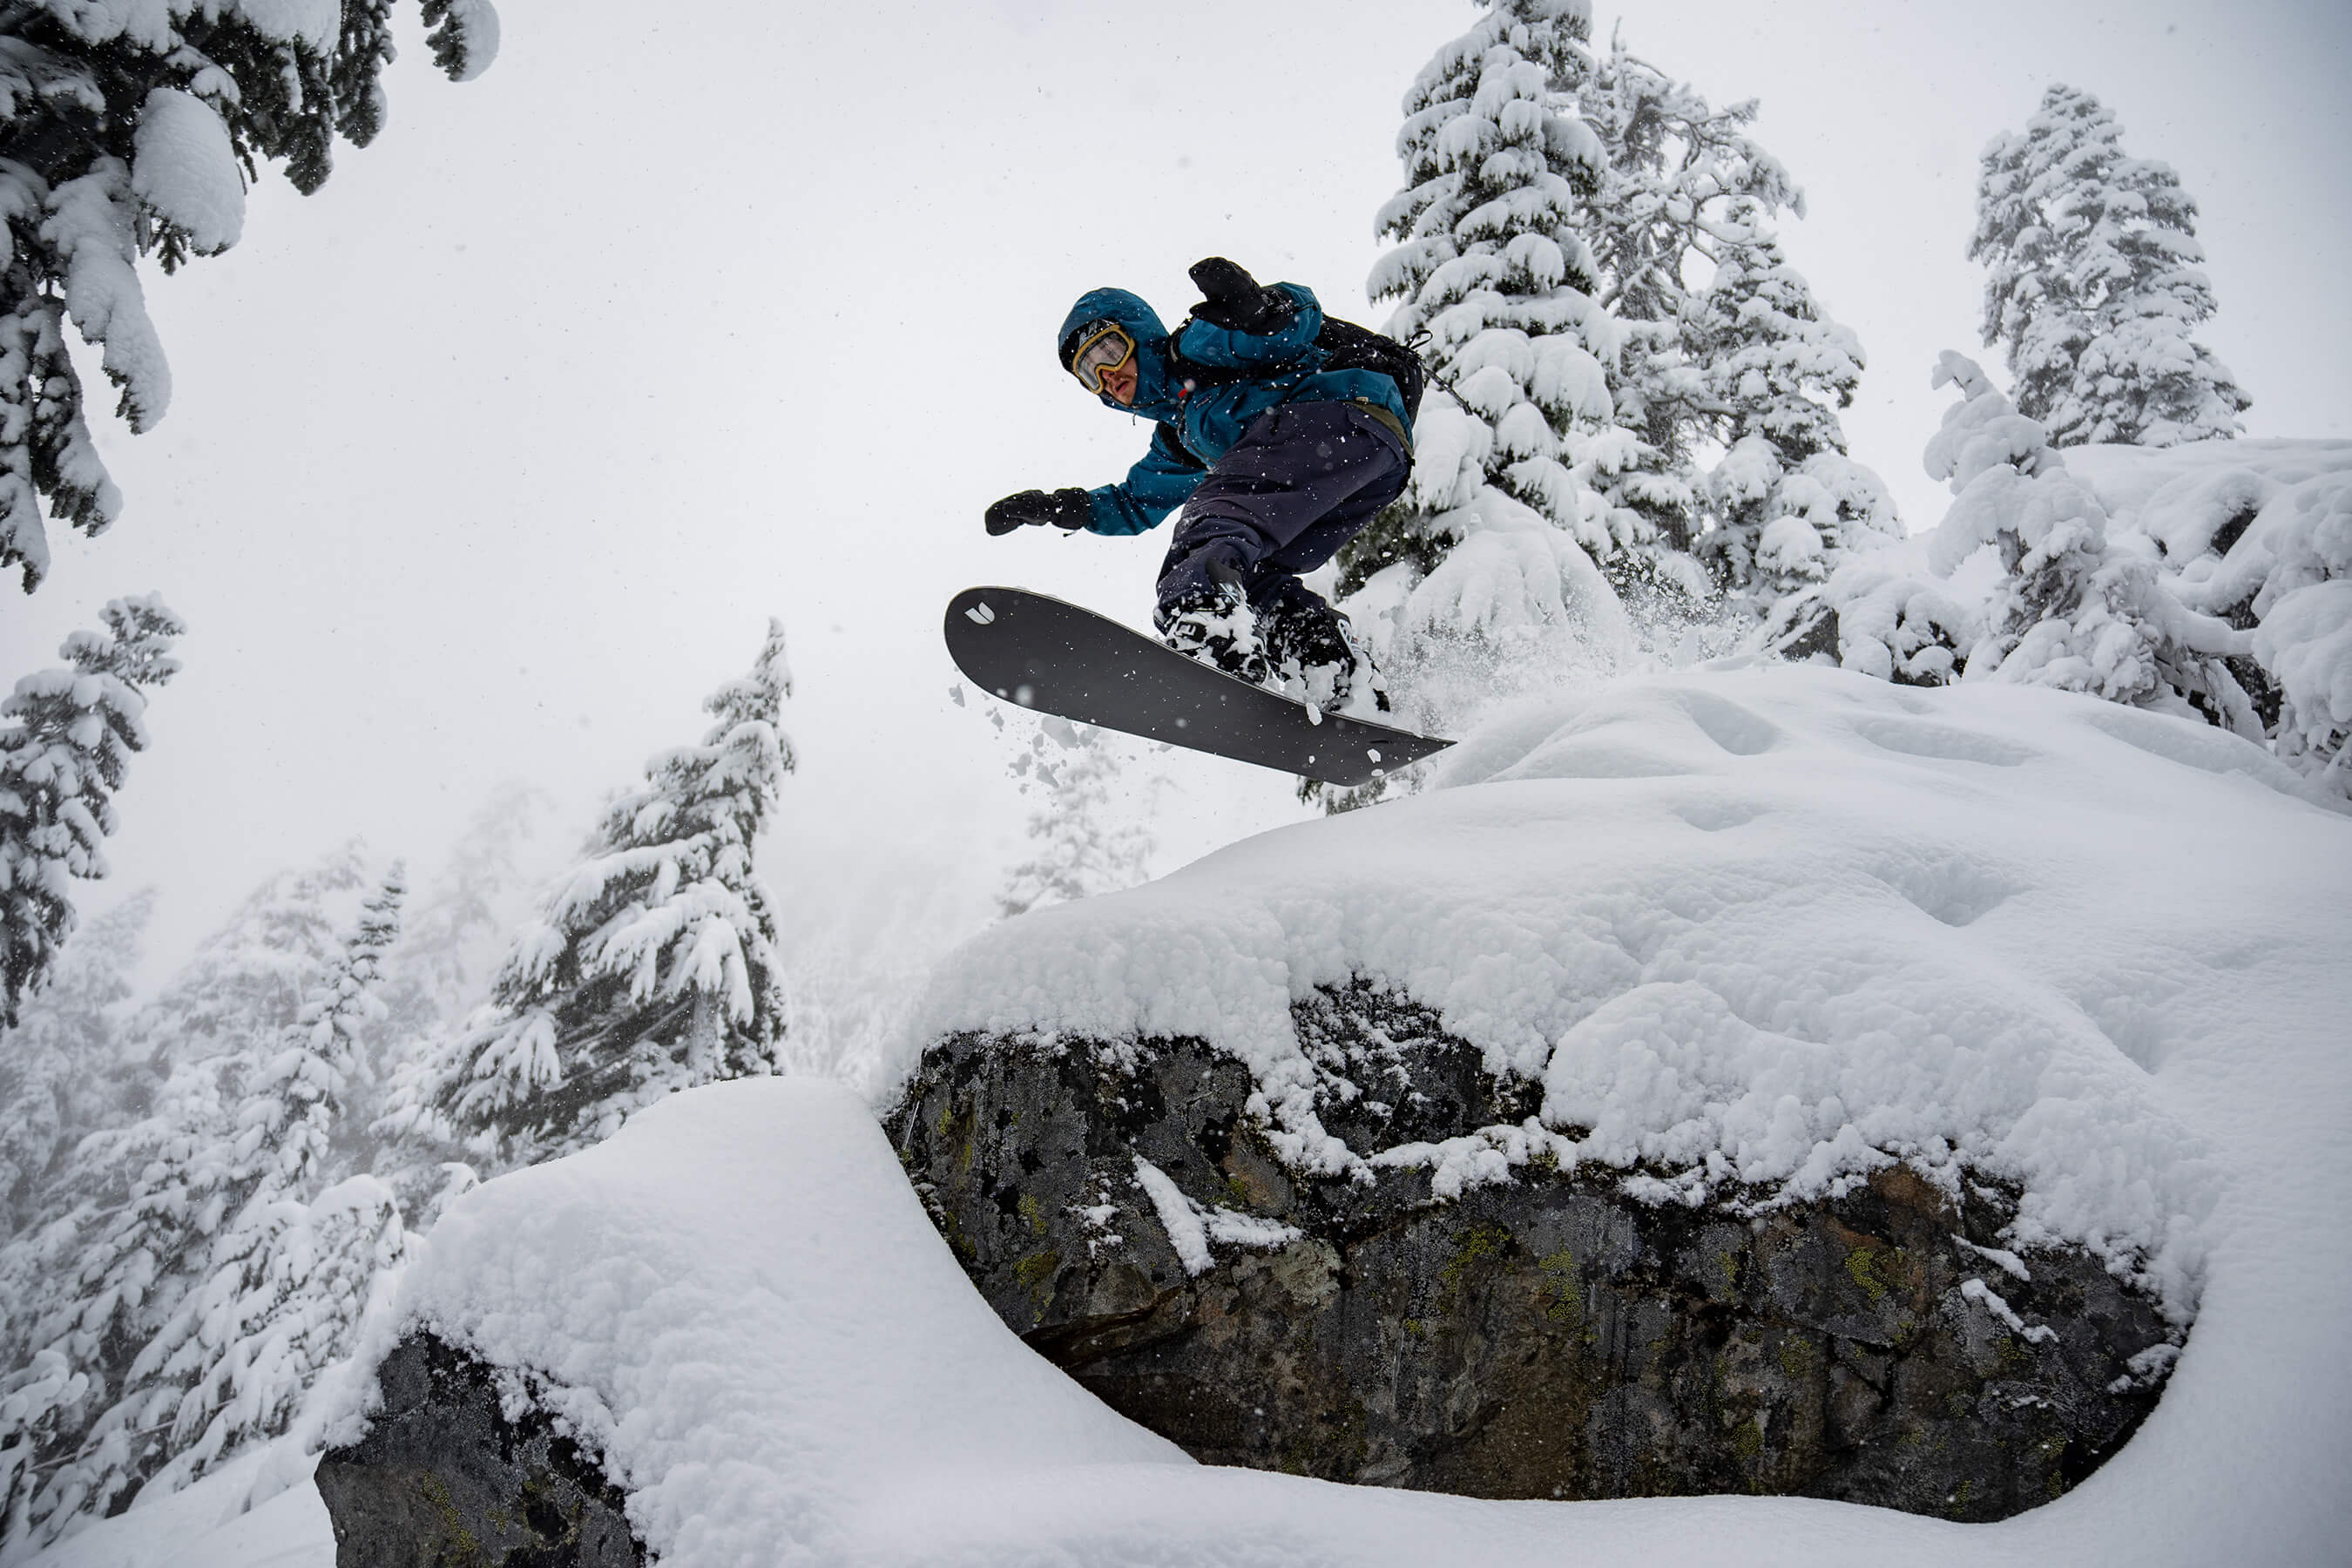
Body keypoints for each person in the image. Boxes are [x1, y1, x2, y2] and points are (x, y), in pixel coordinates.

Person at [983, 258, 1416, 713]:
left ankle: (1209, 628)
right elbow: (1135, 502)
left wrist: (1255, 308)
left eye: (1109, 351)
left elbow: (1298, 320)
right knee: (1253, 574)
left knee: (1210, 525)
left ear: (1138, 335)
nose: (1108, 375)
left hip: (1334, 417)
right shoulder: (1180, 435)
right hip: (1369, 464)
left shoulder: (1195, 349)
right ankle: (1332, 675)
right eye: (1090, 372)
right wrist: (1058, 507)